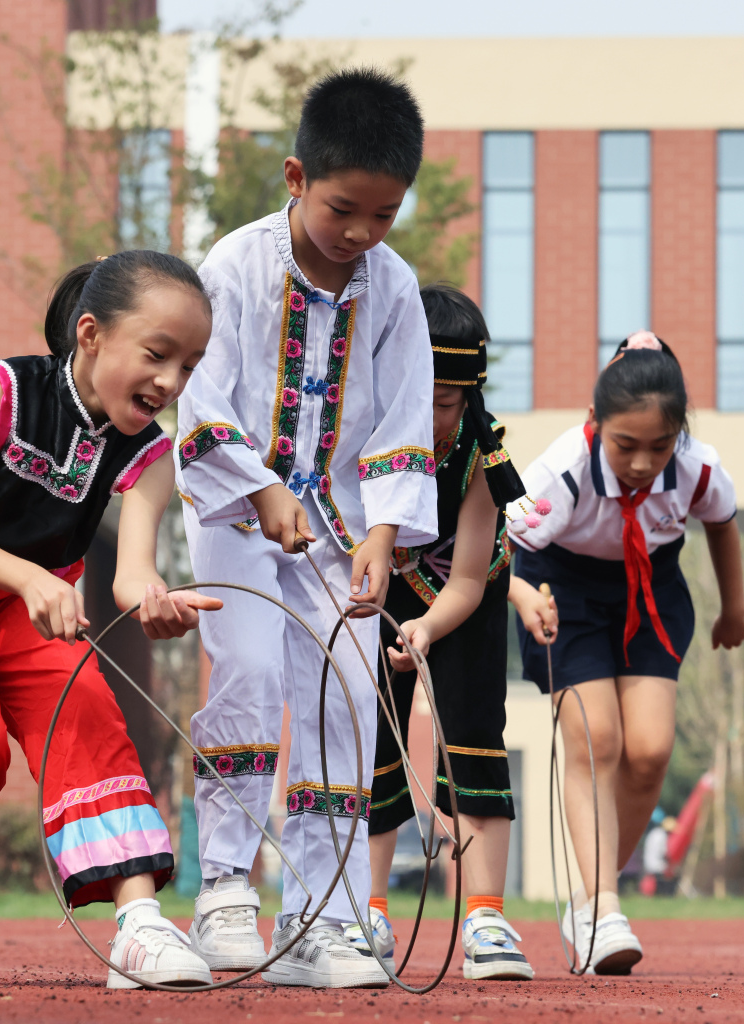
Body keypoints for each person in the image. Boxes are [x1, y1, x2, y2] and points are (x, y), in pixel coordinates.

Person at [0, 251, 223, 990]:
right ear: (90, 334)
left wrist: (155, 599)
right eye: (157, 355)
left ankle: (139, 926)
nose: (170, 382)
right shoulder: (3, 392)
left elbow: (130, 575)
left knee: (89, 709)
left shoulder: (151, 453)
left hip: (32, 595)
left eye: (188, 367)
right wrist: (28, 577)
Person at [175, 68, 438, 989]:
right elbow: (201, 405)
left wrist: (383, 536)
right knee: (245, 673)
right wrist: (257, 490)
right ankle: (223, 889)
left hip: (345, 534)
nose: (361, 233)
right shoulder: (233, 266)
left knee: (344, 698)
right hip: (237, 520)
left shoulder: (395, 289)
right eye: (342, 210)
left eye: (383, 214)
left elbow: (404, 417)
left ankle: (321, 914)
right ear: (295, 178)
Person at [511, 331, 744, 974]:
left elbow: (724, 523)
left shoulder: (697, 466)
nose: (643, 463)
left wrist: (734, 609)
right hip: (562, 590)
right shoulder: (563, 468)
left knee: (647, 752)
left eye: (659, 446)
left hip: (651, 592)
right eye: (625, 445)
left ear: (680, 434)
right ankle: (604, 911)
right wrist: (520, 595)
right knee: (599, 742)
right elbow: (502, 544)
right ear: (595, 424)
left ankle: (590, 901)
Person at [343, 284, 555, 980]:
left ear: (469, 395)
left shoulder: (478, 457)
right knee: (368, 737)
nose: (433, 418)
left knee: (473, 736)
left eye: (447, 403)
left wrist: (426, 630)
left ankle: (486, 915)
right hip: (369, 589)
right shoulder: (357, 432)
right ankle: (363, 910)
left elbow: (466, 579)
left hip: (461, 598)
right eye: (422, 398)